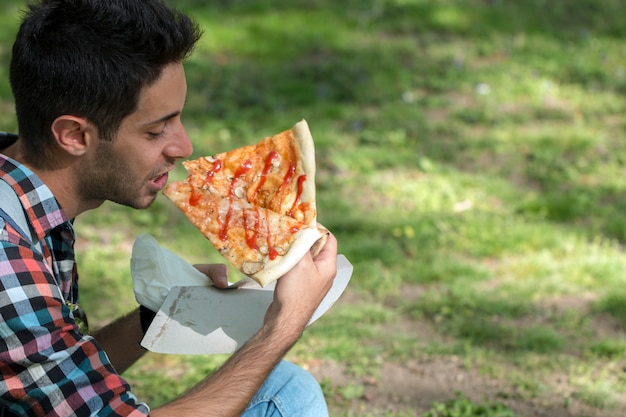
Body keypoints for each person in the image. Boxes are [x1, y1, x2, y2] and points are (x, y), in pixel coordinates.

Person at [0, 0, 338, 416]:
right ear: (73, 134)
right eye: (156, 130)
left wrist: (159, 312)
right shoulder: (5, 249)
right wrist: (284, 324)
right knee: (292, 397)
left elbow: (50, 378)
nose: (183, 147)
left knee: (289, 386)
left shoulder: (22, 196)